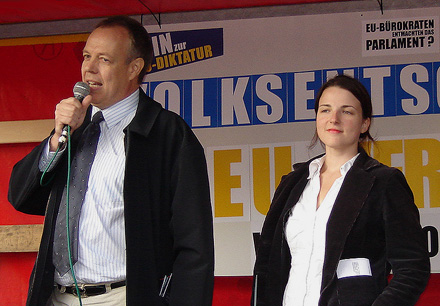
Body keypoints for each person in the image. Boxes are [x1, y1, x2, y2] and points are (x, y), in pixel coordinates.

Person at [8, 16, 214, 306]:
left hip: (123, 297)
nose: (89, 68)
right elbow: (21, 197)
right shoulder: (74, 128)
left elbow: (194, 244)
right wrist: (57, 139)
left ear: (134, 68)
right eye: (86, 56)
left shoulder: (166, 134)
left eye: (103, 59)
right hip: (58, 296)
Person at [252, 74, 430, 306]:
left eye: (346, 111)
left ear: (365, 123)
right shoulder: (292, 183)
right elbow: (266, 266)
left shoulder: (384, 182)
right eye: (325, 110)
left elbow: (412, 270)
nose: (333, 119)